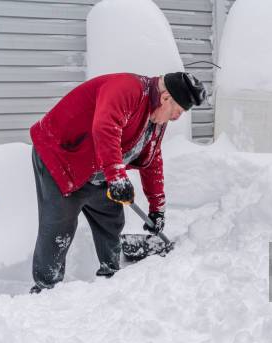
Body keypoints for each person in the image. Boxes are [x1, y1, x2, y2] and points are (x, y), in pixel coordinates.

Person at [29, 72, 206, 293]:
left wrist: (157, 208)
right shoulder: (127, 89)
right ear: (165, 98)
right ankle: (46, 289)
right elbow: (105, 127)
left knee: (110, 218)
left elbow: (151, 158)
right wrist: (117, 176)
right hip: (62, 156)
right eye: (178, 111)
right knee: (59, 227)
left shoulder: (156, 120)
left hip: (98, 165)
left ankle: (110, 275)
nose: (176, 118)